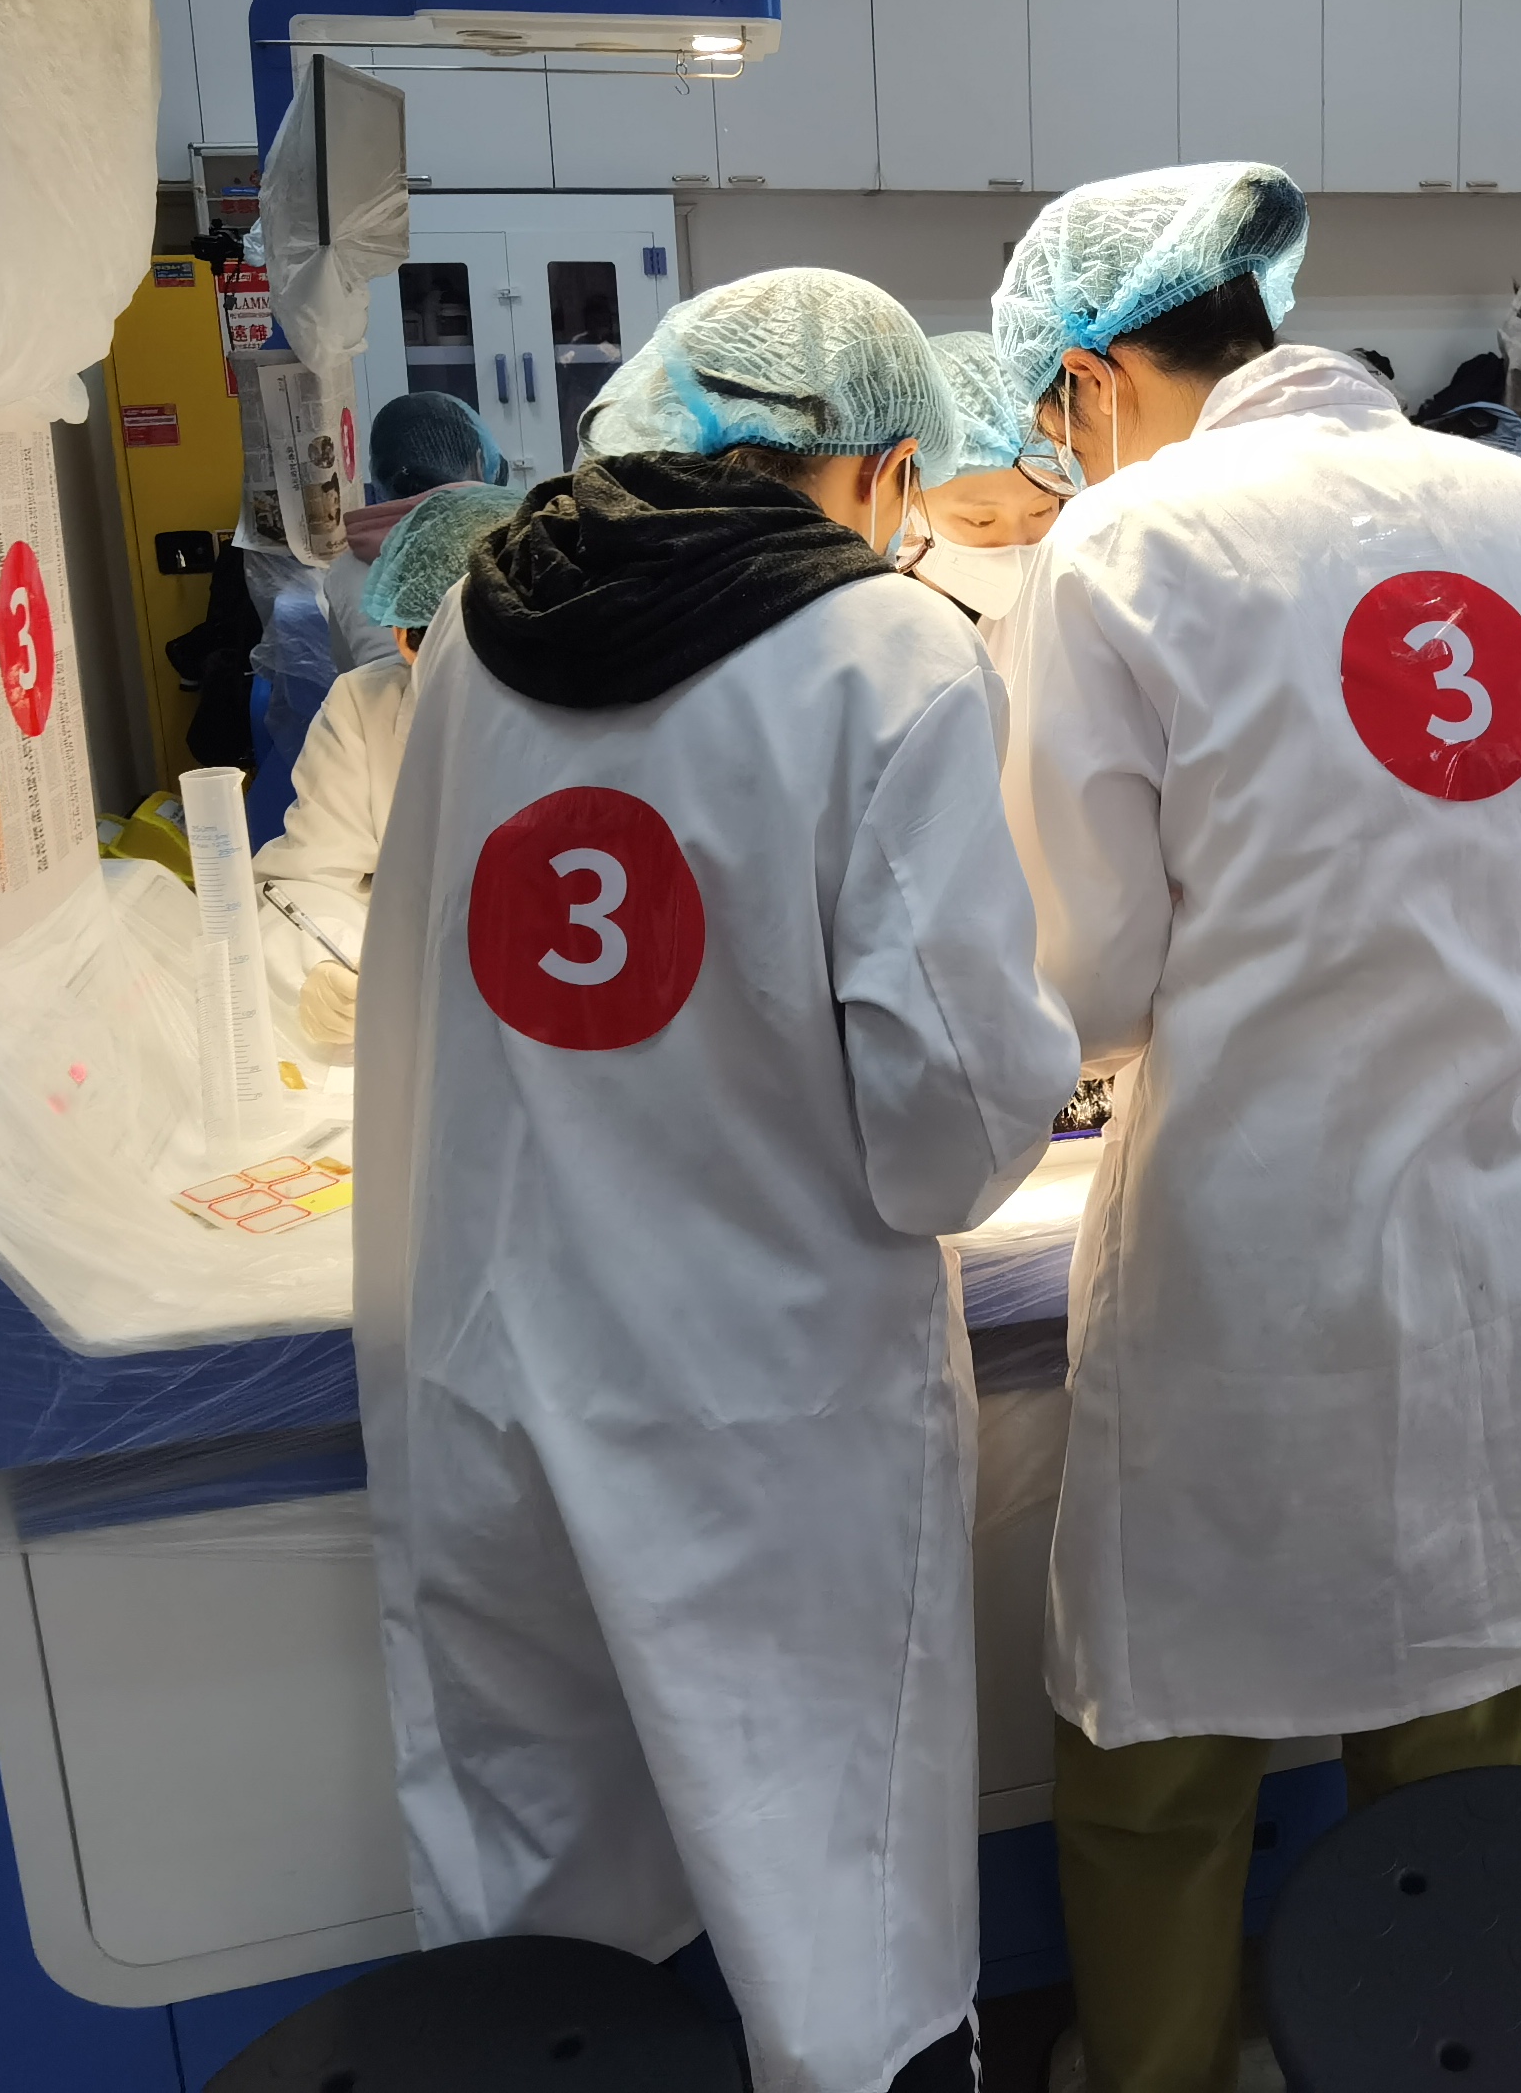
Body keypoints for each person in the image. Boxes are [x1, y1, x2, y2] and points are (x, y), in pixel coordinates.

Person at [352, 266, 1079, 2093]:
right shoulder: (887, 652)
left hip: (498, 1364)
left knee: (538, 1865)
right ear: (887, 466)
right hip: (771, 1402)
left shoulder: (485, 624)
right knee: (826, 1884)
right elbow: (950, 1118)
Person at [991, 164, 1521, 2093]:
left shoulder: (1123, 547)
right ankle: (1431, 2053)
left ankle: (1160, 2071)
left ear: (1098, 370)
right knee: (1455, 1737)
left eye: (1057, 409)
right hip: (1488, 1232)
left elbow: (1089, 974)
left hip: (1243, 1249)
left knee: (1161, 1749)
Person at [255, 480, 517, 1059]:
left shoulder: (602, 705)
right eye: (467, 652)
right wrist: (321, 965)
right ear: (406, 641)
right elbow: (307, 881)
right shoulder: (365, 708)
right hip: (418, 1015)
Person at [906, 329, 1076, 655]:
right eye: (981, 520)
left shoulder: (1083, 611)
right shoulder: (862, 627)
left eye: (1041, 511)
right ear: (906, 504)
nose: (1017, 542)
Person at [328, 389, 508, 670]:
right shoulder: (520, 536)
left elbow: (345, 669)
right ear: (479, 461)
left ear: (380, 476)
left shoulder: (344, 572)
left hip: (394, 700)